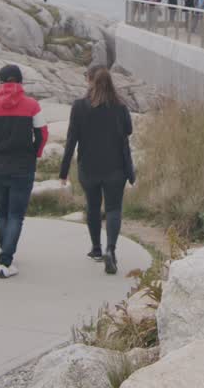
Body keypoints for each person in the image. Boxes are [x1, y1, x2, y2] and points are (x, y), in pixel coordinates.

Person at [59, 67, 135, 274]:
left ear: (90, 81)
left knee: (92, 207)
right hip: (116, 168)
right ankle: (111, 249)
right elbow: (128, 130)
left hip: (88, 167)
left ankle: (96, 249)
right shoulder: (120, 107)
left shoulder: (79, 106)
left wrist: (63, 171)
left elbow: (71, 140)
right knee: (113, 209)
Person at [0, 64, 48, 279]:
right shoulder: (32, 106)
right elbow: (42, 134)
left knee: (2, 212)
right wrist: (35, 153)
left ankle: (5, 250)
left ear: (0, 82)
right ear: (20, 82)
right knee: (16, 214)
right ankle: (6, 260)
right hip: (23, 165)